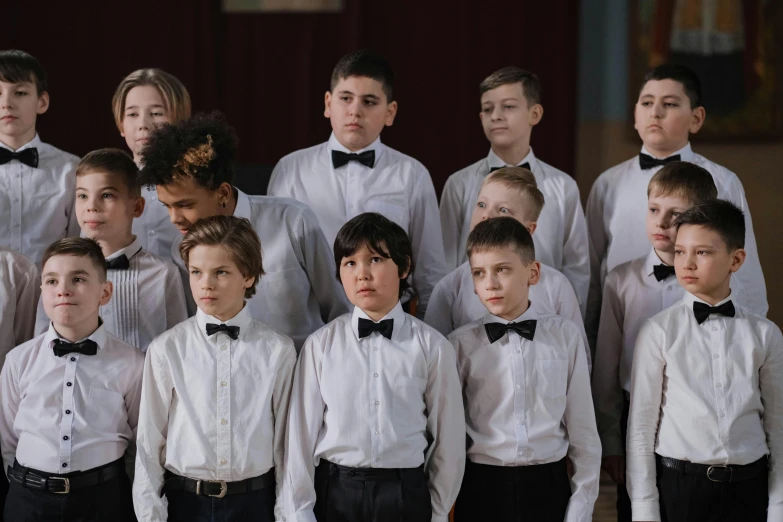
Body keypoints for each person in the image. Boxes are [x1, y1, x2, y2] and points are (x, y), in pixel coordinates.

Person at [283, 212, 465, 522]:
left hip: (406, 492)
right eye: (350, 263)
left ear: (404, 266)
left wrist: (436, 512)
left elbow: (449, 440)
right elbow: (299, 438)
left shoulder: (433, 346)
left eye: (376, 260)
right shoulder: (320, 345)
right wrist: (300, 513)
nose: (362, 274)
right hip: (336, 491)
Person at [585, 63, 767, 349]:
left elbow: (746, 272)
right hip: (626, 335)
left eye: (669, 104)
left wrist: (750, 350)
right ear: (635, 114)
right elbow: (593, 270)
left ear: (696, 118)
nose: (655, 112)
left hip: (701, 342)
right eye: (647, 103)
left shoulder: (723, 182)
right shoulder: (608, 184)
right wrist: (591, 345)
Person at [627, 200, 783, 522]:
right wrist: (645, 511)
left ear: (736, 259)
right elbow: (641, 430)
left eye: (702, 252)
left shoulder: (766, 335)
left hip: (749, 489)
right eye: (680, 252)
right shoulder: (657, 332)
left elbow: (778, 427)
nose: (687, 263)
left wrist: (778, 507)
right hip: (680, 488)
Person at [139, 111, 350, 349]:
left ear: (223, 193)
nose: (174, 218)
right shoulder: (182, 249)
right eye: (167, 206)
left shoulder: (294, 221)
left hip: (302, 374)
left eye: (185, 205)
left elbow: (340, 310)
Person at [134, 215, 295, 521]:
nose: (205, 284)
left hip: (255, 503)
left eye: (220, 272)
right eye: (196, 272)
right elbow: (149, 442)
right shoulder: (166, 348)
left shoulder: (278, 350)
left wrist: (286, 514)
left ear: (247, 276)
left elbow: (287, 447)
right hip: (184, 503)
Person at [268, 49, 446, 316]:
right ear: (328, 104)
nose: (355, 111)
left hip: (392, 325)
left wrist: (428, 337)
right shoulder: (290, 170)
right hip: (309, 323)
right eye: (345, 98)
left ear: (390, 112)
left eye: (369, 101)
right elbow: (276, 265)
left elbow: (430, 271)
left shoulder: (412, 174)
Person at [449, 216, 600, 521]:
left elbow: (583, 433)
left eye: (502, 269)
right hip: (480, 487)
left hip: (549, 486)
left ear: (533, 272)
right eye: (479, 273)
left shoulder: (565, 337)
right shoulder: (458, 345)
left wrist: (580, 510)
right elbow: (447, 439)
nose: (489, 283)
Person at [591, 161, 719, 522]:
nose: (661, 223)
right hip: (634, 416)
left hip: (698, 415)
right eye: (653, 210)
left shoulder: (716, 284)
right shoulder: (621, 282)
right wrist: (611, 443)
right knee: (636, 509)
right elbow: (606, 370)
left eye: (675, 214)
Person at [0, 238, 143, 521]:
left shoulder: (133, 363)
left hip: (104, 501)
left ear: (105, 292)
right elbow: (8, 439)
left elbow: (141, 443)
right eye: (52, 281)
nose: (63, 290)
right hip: (27, 500)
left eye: (77, 279)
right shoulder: (18, 361)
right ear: (42, 292)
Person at [439, 66, 589, 313]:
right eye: (488, 109)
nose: (496, 115)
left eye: (508, 106)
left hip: (544, 316)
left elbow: (577, 267)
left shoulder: (563, 187)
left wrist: (567, 316)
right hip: (473, 315)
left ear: (535, 113)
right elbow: (445, 261)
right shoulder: (459, 184)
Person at [425, 167, 589, 368]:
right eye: (482, 204)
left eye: (503, 210)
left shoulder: (557, 286)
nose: (486, 215)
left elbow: (579, 362)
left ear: (528, 229)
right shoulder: (448, 289)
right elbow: (433, 363)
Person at [73, 148, 187, 351]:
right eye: (82, 196)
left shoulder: (163, 274)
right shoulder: (61, 273)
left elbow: (179, 347)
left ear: (136, 207)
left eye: (106, 195)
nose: (91, 206)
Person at [0, 49, 79, 265]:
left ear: (42, 102)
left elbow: (79, 245)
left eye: (20, 93)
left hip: (52, 295)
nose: (6, 103)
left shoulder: (71, 169)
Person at [112, 68, 192, 260]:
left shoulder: (202, 185)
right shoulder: (107, 185)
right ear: (121, 124)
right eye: (132, 114)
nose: (143, 124)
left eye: (156, 113)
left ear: (180, 120)